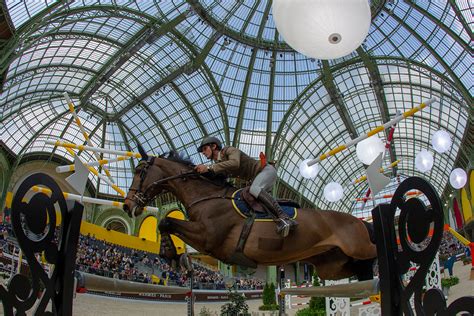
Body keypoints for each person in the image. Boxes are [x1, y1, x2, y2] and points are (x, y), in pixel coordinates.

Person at [194, 136, 297, 237]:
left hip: (266, 170)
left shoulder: (229, 150)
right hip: (258, 177)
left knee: (254, 189)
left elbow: (235, 163)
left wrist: (208, 167)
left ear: (214, 146)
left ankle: (285, 218)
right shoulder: (218, 164)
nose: (203, 152)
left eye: (204, 149)